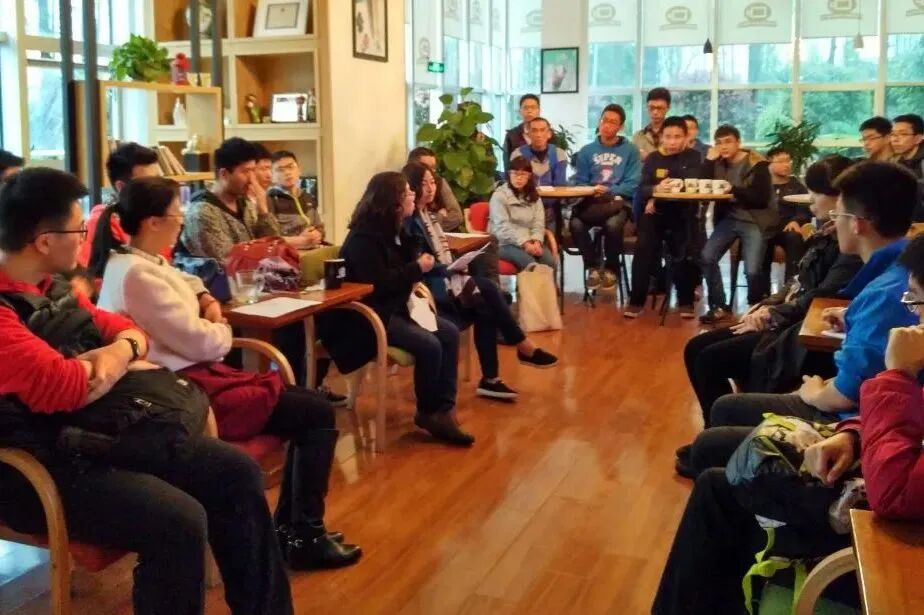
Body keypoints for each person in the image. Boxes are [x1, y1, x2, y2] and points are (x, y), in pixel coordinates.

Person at [0, 168, 292, 614]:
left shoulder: (52, 287)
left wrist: (116, 353)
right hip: (33, 466)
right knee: (178, 521)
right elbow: (67, 389)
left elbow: (127, 331)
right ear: (43, 241)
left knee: (236, 472)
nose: (85, 239)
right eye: (78, 230)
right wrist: (120, 355)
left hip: (93, 434)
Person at [92, 175, 362, 572]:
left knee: (311, 405)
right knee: (315, 411)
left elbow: (185, 278)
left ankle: (297, 528)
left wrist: (204, 297)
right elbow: (200, 342)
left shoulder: (140, 261)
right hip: (182, 390)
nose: (181, 220)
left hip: (192, 375)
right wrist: (222, 327)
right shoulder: (137, 275)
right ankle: (303, 533)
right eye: (176, 213)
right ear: (152, 222)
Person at [652, 237, 924, 615]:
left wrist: (896, 376)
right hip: (876, 479)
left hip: (888, 543)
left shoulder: (888, 304)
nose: (913, 319)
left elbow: (894, 493)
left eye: (917, 302)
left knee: (718, 492)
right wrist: (853, 435)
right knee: (718, 474)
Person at [677, 156, 863, 476]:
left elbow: (820, 296)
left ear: (839, 198)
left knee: (709, 359)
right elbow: (799, 282)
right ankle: (714, 435)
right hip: (789, 317)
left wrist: (773, 313)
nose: (811, 199)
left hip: (798, 331)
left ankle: (717, 443)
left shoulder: (848, 246)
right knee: (696, 348)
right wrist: (767, 303)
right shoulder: (828, 232)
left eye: (816, 192)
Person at [704, 161, 919, 435]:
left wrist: (813, 392)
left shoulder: (882, 294)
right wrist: (851, 317)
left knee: (724, 410)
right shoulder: (902, 269)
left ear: (856, 224)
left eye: (837, 215)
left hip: (855, 424)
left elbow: (845, 395)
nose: (833, 223)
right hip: (879, 408)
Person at [339, 172, 475, 446]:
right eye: (407, 193)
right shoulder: (364, 237)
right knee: (430, 345)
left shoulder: (396, 229)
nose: (413, 195)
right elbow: (379, 284)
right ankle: (428, 412)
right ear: (394, 201)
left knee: (449, 332)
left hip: (398, 305)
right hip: (373, 313)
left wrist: (415, 256)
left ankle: (444, 409)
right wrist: (416, 267)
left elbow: (405, 268)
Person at [402, 162, 557, 399]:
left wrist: (454, 266)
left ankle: (491, 379)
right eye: (424, 184)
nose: (431, 189)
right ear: (411, 187)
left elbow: (438, 255)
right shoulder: (410, 222)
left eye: (433, 182)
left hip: (445, 279)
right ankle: (520, 345)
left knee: (486, 301)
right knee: (488, 291)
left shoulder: (429, 215)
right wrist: (450, 269)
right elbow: (420, 266)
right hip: (429, 291)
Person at [625, 116, 702, 318]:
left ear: (686, 137)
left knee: (684, 252)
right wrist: (655, 190)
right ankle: (636, 301)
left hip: (682, 213)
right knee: (642, 249)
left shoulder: (694, 157)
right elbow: (642, 187)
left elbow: (692, 181)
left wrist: (662, 190)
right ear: (661, 137)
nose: (672, 142)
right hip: (655, 213)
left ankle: (685, 301)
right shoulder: (653, 158)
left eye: (677, 137)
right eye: (668, 137)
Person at [699, 124, 775, 323]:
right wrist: (708, 161)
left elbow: (760, 198)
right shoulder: (717, 162)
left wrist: (733, 189)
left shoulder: (757, 164)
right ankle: (718, 305)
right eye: (719, 143)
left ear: (738, 143)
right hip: (728, 219)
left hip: (754, 220)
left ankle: (755, 309)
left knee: (752, 270)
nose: (723, 147)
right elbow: (703, 187)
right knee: (707, 257)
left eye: (728, 142)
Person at [570, 103, 641, 290]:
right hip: (592, 202)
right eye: (604, 120)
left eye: (612, 122)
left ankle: (611, 269)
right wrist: (591, 190)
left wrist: (611, 191)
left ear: (621, 127)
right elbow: (580, 182)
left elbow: (633, 183)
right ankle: (593, 267)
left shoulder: (631, 150)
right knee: (575, 224)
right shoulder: (586, 151)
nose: (607, 125)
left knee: (613, 225)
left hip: (618, 202)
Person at [407, 146, 502, 285]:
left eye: (433, 168)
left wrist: (437, 220)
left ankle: (490, 287)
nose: (431, 173)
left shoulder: (439, 182)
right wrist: (440, 216)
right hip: (438, 251)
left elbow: (457, 216)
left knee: (488, 242)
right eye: (425, 167)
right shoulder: (410, 208)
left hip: (449, 236)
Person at [180, 137, 282, 260]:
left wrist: (263, 211)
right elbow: (228, 259)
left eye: (253, 171)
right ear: (224, 174)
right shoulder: (201, 212)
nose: (252, 179)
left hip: (255, 271)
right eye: (246, 172)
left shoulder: (246, 204)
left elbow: (275, 248)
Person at [79, 142, 170, 268]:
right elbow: (94, 274)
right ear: (122, 187)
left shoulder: (159, 217)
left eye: (160, 180)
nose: (160, 189)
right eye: (149, 183)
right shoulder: (102, 223)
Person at [490, 157, 557, 271]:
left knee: (549, 262)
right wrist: (525, 244)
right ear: (509, 174)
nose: (519, 178)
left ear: (529, 176)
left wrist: (537, 242)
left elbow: (538, 223)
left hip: (530, 241)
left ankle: (545, 284)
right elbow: (502, 227)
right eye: (515, 174)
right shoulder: (499, 196)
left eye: (523, 174)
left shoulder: (534, 197)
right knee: (530, 264)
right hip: (504, 243)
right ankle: (531, 283)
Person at [510, 116, 569, 233]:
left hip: (550, 207)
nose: (538, 135)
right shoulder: (518, 154)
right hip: (525, 206)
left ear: (549, 134)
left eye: (542, 130)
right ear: (528, 134)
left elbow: (560, 186)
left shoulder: (559, 154)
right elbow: (515, 185)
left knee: (551, 217)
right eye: (534, 130)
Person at [762, 147, 810, 285]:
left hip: (787, 227)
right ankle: (761, 292)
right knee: (761, 241)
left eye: (788, 161)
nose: (786, 165)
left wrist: (796, 221)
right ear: (769, 163)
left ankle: (790, 286)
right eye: (781, 161)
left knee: (794, 237)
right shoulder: (761, 185)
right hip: (765, 228)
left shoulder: (797, 186)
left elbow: (804, 209)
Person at [890, 113, 924, 221]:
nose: (895, 139)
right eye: (893, 134)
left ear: (918, 138)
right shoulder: (895, 163)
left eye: (903, 134)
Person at [502, 94, 541, 171]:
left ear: (539, 110)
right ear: (520, 111)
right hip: (520, 176)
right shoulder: (511, 135)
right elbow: (507, 163)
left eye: (533, 107)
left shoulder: (548, 134)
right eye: (525, 108)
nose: (529, 111)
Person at [633, 87, 671, 161]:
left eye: (659, 108)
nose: (655, 112)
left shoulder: (675, 136)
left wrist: (649, 157)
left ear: (668, 108)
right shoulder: (638, 137)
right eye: (651, 108)